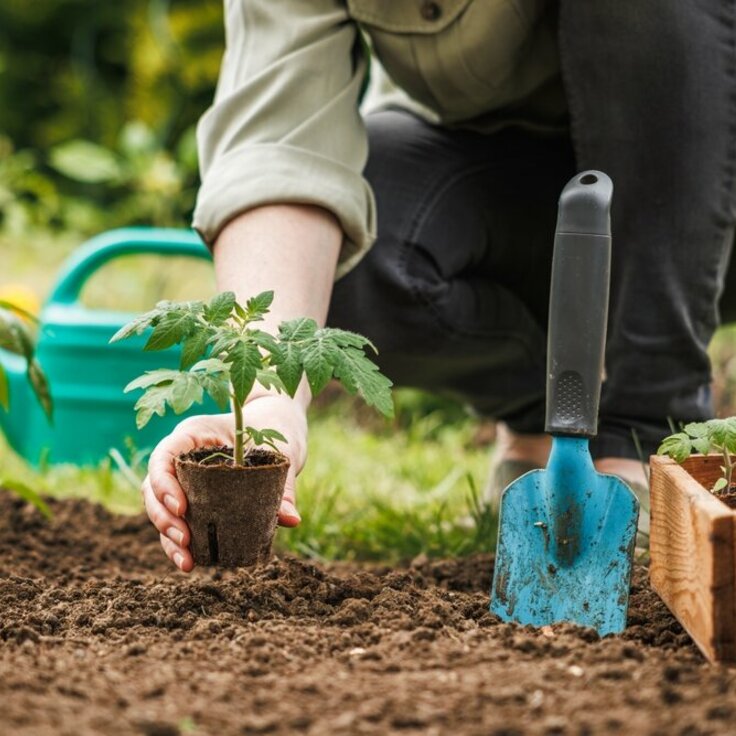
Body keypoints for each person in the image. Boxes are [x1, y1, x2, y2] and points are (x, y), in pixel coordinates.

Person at [143, 1, 736, 572]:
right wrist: (268, 405)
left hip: (707, 186)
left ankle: (648, 429)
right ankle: (551, 418)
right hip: (495, 181)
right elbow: (278, 140)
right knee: (357, 255)